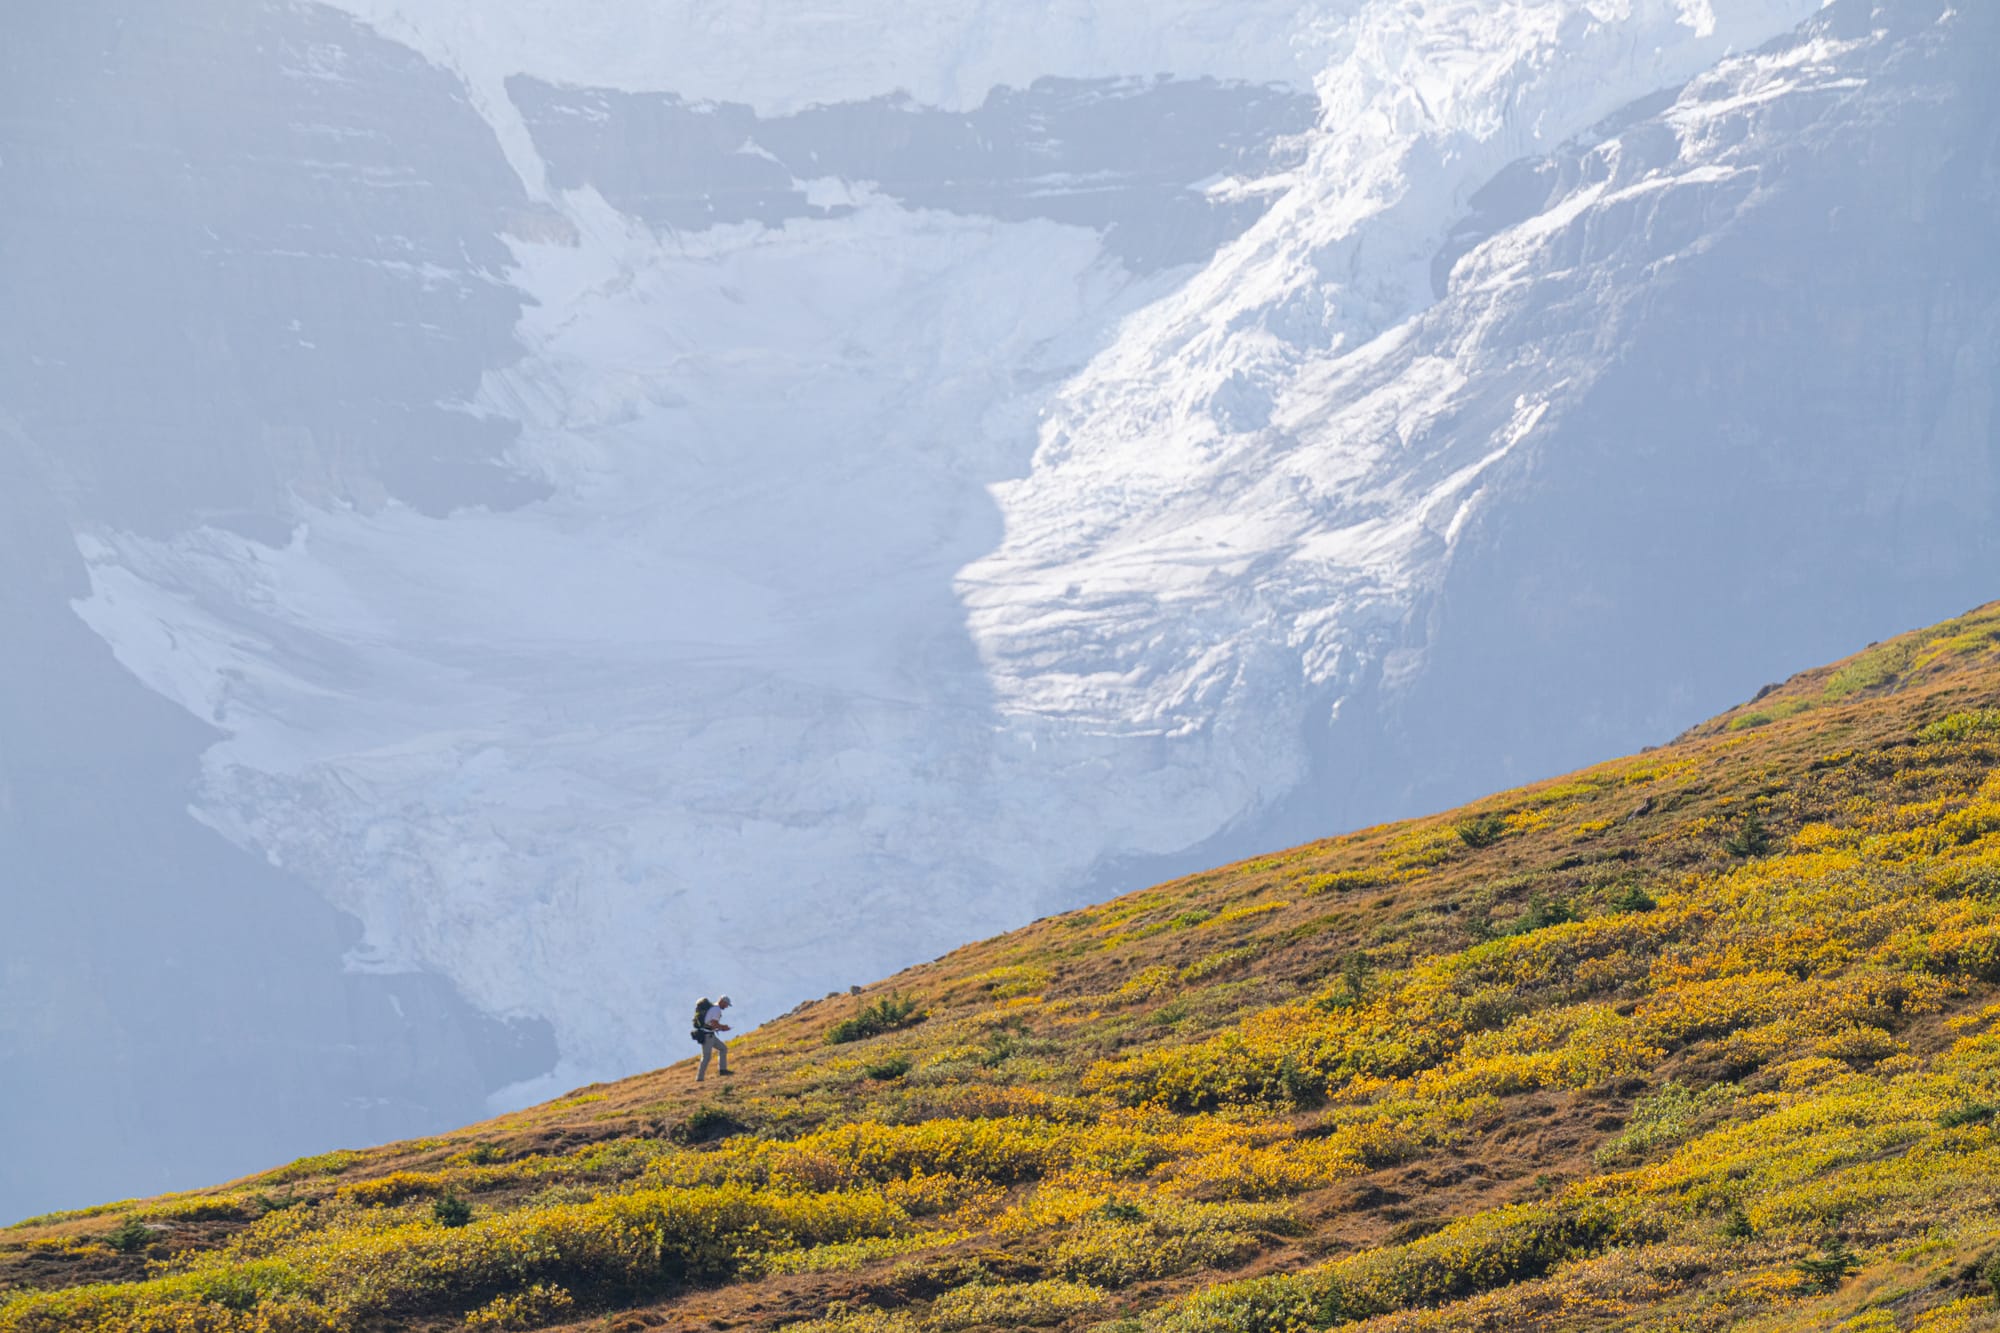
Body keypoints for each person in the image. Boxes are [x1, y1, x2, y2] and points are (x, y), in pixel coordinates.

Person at [693, 994, 734, 1081]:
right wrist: (723, 1027)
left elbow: (711, 1023)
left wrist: (721, 1028)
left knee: (723, 1048)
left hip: (709, 1034)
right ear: (722, 1002)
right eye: (726, 1005)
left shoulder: (713, 1007)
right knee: (706, 1057)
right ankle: (699, 1078)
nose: (726, 1007)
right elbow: (714, 1023)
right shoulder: (717, 1010)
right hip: (708, 1036)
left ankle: (722, 1070)